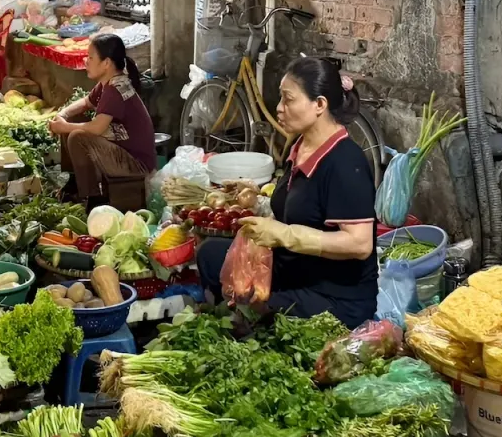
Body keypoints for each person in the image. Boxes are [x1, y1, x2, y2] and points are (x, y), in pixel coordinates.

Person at [198, 58, 378, 327]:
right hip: (296, 269)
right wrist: (256, 196)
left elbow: (360, 244)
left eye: (288, 100)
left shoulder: (344, 162)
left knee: (259, 316)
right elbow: (302, 206)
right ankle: (237, 319)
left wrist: (284, 235)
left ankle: (247, 322)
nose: (279, 108)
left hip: (335, 296)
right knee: (210, 254)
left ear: (319, 104)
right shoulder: (301, 146)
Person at [48, 34, 155, 203]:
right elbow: (86, 102)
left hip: (136, 164)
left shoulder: (115, 90)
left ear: (106, 63)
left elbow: (97, 128)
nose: (86, 61)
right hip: (122, 150)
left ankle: (92, 198)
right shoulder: (108, 82)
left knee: (77, 136)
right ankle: (74, 181)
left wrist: (64, 127)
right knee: (74, 121)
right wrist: (62, 116)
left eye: (90, 58)